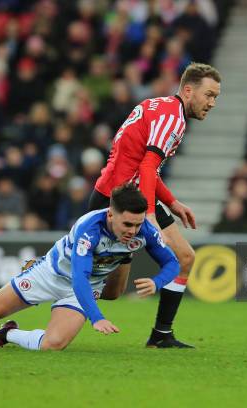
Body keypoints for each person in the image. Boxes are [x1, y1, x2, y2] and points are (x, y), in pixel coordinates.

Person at [0, 184, 180, 351]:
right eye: (127, 223)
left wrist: (157, 281)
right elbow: (78, 274)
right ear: (110, 214)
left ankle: (8, 335)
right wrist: (96, 317)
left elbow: (172, 263)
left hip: (85, 287)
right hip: (51, 274)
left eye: (138, 223)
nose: (133, 230)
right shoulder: (88, 229)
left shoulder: (144, 232)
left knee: (53, 345)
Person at [89, 62, 221, 348]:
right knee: (109, 290)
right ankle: (35, 278)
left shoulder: (159, 107)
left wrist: (172, 202)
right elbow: (148, 167)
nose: (211, 103)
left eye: (215, 98)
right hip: (118, 204)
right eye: (208, 95)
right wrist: (148, 214)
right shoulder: (173, 118)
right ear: (188, 91)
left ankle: (162, 334)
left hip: (132, 196)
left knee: (185, 257)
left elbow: (145, 167)